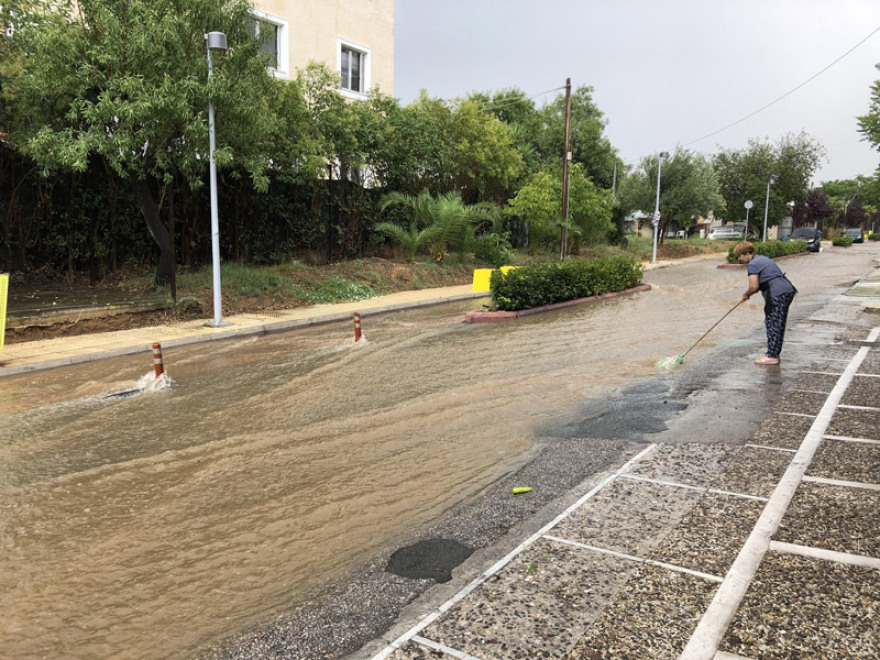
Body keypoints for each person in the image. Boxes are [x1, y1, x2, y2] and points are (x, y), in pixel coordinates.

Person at [731, 241, 797, 365]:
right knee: (778, 322)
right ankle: (774, 353)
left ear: (747, 254)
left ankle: (772, 356)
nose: (739, 259)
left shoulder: (753, 264)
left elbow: (754, 286)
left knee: (773, 322)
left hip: (777, 293)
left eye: (740, 256)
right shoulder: (762, 259)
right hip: (787, 290)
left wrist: (746, 294)